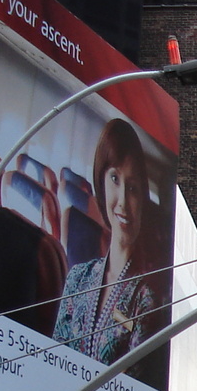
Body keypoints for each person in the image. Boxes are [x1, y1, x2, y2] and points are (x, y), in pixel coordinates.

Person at [51, 118, 161, 363]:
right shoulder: (77, 278)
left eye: (132, 188)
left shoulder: (147, 299)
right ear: (101, 182)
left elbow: (133, 382)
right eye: (115, 179)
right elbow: (54, 357)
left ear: (142, 200)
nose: (122, 200)